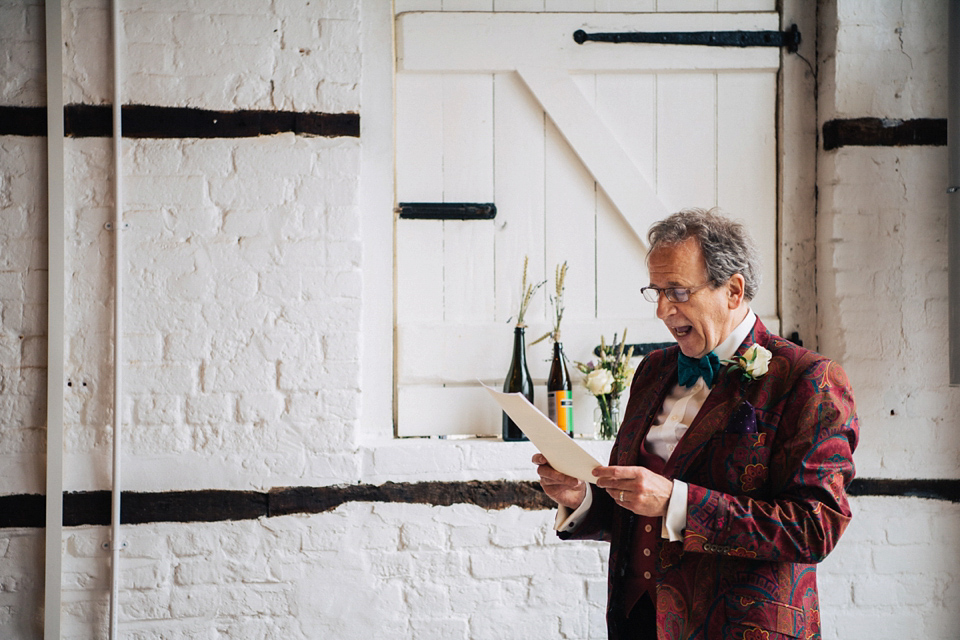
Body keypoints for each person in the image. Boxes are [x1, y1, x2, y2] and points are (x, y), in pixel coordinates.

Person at [534, 208, 859, 639]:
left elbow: (814, 527)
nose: (663, 310)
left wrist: (677, 502)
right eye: (657, 292)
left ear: (733, 290)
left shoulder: (809, 379)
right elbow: (639, 512)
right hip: (637, 622)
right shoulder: (653, 370)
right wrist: (582, 499)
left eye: (679, 291)